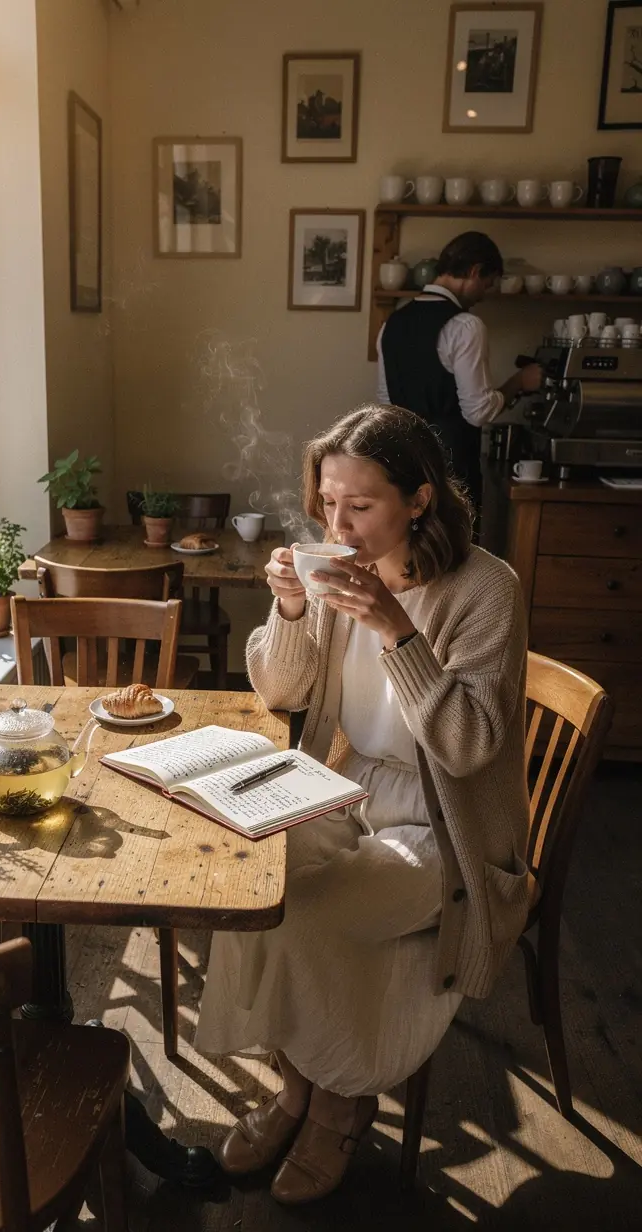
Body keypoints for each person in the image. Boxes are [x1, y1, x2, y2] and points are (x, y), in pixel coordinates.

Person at [195, 405, 530, 1205]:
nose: (338, 525)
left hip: (448, 826)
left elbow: (469, 747)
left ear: (419, 501)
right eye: (327, 504)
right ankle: (297, 1084)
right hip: (343, 787)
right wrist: (292, 611)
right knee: (249, 882)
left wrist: (394, 629)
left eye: (361, 506)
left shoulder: (487, 589)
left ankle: (334, 1107)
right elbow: (281, 693)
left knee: (312, 915)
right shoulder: (337, 568)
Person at [376, 231, 542, 509]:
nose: (483, 296)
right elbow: (477, 412)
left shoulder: (392, 323)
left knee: (407, 547)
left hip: (402, 466)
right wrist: (519, 382)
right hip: (451, 472)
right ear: (475, 271)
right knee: (456, 550)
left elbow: (386, 402)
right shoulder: (466, 326)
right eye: (486, 285)